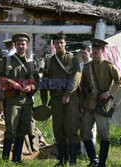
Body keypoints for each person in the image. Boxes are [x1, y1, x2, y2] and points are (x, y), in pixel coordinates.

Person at [80, 38, 121, 167]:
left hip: (102, 105)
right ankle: (93, 160)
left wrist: (109, 93)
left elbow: (120, 81)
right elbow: (83, 87)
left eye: (98, 49)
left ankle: (102, 163)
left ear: (103, 51)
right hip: (88, 104)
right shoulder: (87, 67)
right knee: (85, 133)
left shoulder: (109, 66)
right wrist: (81, 105)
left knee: (103, 135)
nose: (95, 51)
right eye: (93, 48)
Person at [0, 33, 39, 163]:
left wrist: (31, 87)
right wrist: (12, 84)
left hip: (27, 101)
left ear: (27, 45)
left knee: (23, 130)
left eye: (23, 44)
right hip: (12, 100)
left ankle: (17, 159)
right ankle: (4, 159)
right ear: (15, 45)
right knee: (11, 130)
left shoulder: (31, 63)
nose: (21, 46)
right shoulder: (7, 61)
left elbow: (37, 81)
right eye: (18, 44)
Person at [40, 31, 81, 165]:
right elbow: (45, 80)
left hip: (70, 98)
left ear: (65, 43)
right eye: (56, 42)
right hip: (56, 99)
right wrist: (44, 100)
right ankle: (62, 159)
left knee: (71, 128)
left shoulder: (72, 58)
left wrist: (67, 94)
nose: (59, 45)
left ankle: (73, 160)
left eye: (61, 42)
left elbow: (76, 77)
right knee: (58, 129)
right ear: (53, 44)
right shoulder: (49, 60)